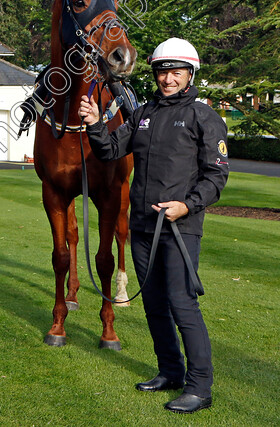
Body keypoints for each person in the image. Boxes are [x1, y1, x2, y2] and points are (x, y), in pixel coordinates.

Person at [79, 38, 228, 413]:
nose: (168, 78)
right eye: (163, 71)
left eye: (176, 72)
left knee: (182, 304)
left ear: (190, 74)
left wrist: (186, 206)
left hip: (179, 226)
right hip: (144, 226)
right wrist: (97, 125)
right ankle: (170, 372)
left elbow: (215, 176)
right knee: (155, 305)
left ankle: (200, 387)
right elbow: (110, 150)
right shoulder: (143, 113)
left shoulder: (204, 117)